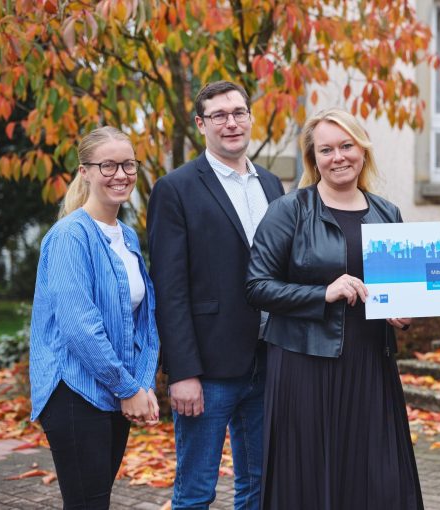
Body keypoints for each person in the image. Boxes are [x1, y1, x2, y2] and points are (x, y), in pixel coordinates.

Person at [245, 108, 423, 509]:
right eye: (326, 149)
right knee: (311, 473)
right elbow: (256, 287)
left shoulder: (386, 212)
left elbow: (398, 288)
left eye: (347, 146)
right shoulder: (289, 210)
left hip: (370, 360)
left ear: (362, 150)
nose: (338, 157)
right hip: (304, 362)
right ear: (314, 158)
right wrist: (320, 294)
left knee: (376, 474)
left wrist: (404, 312)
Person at [146, 80, 284, 509]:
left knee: (259, 489)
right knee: (195, 493)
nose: (231, 123)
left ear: (250, 117)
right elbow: (169, 289)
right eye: (219, 116)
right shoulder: (176, 188)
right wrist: (182, 372)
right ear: (202, 124)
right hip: (208, 370)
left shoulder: (272, 184)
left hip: (270, 359)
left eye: (239, 112)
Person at [29, 126, 160, 509]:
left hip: (116, 391)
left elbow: (144, 320)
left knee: (96, 500)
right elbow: (79, 326)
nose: (120, 174)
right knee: (88, 503)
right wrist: (128, 388)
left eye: (128, 164)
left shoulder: (128, 236)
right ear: (84, 171)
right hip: (75, 391)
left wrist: (143, 383)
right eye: (108, 165)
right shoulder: (70, 236)